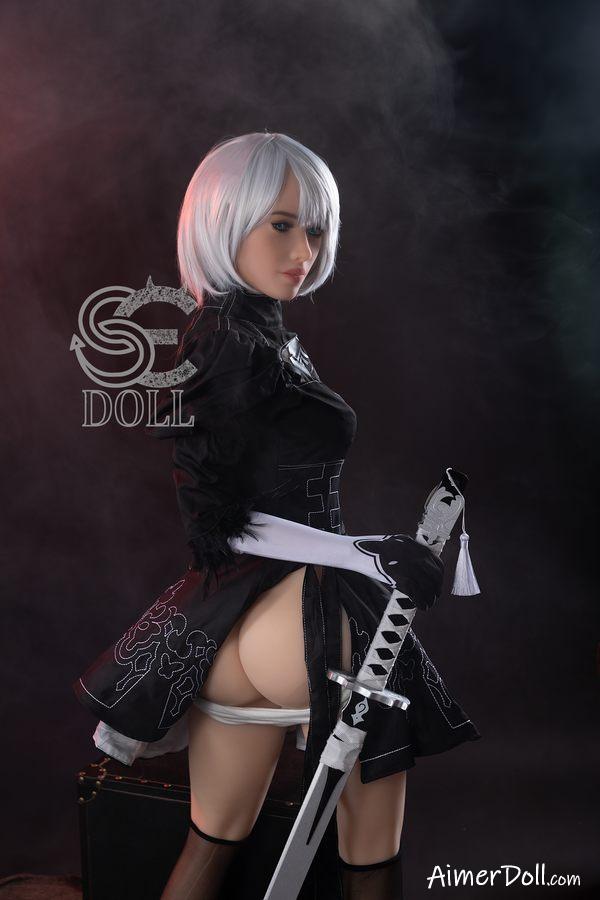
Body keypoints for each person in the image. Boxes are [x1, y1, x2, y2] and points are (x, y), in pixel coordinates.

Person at [73, 132, 481, 900]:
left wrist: (369, 548)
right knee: (370, 853)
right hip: (288, 618)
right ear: (224, 220)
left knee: (210, 846)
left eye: (315, 229)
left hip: (232, 633)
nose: (303, 251)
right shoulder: (229, 341)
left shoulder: (260, 335)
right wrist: (367, 555)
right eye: (282, 225)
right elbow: (219, 520)